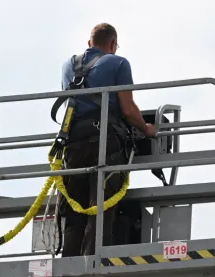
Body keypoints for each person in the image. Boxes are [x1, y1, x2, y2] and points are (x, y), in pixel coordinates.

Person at [57, 23, 157, 258]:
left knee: (73, 211)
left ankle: (68, 267)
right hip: (106, 143)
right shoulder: (118, 63)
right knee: (101, 209)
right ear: (113, 44)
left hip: (71, 144)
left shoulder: (68, 65)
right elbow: (128, 109)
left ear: (89, 43)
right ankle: (95, 263)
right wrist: (146, 128)